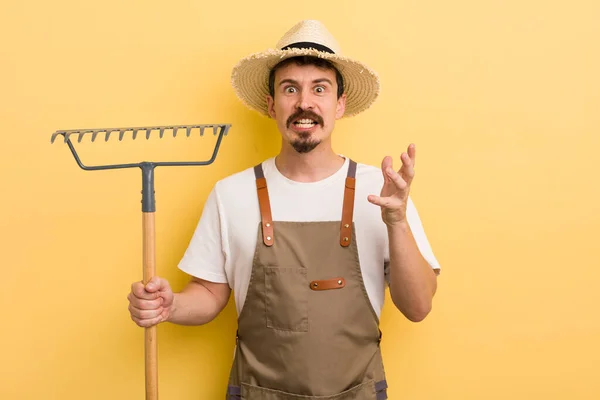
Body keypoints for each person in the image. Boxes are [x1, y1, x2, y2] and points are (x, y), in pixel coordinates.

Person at [127, 20, 441, 399]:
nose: (304, 103)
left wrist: (397, 222)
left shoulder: (384, 192)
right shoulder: (232, 194)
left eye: (319, 89)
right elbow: (209, 295)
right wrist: (170, 305)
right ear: (272, 104)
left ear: (339, 104)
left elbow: (419, 307)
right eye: (290, 89)